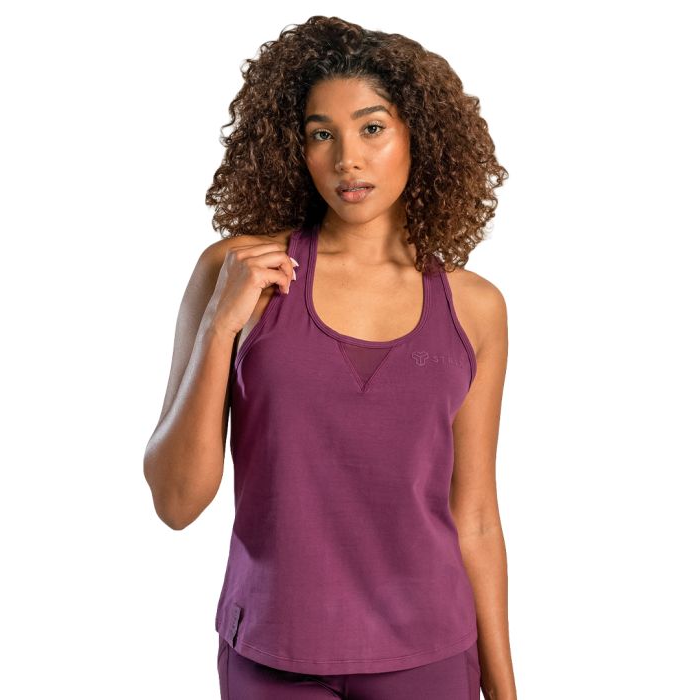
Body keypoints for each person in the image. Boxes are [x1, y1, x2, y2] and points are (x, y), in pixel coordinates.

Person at [144, 15, 515, 700]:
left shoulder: (474, 307)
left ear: (419, 136)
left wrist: (505, 690)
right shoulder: (237, 273)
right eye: (322, 134)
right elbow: (176, 501)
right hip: (273, 652)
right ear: (296, 148)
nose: (348, 157)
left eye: (372, 128)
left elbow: (476, 517)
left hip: (430, 656)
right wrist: (221, 326)